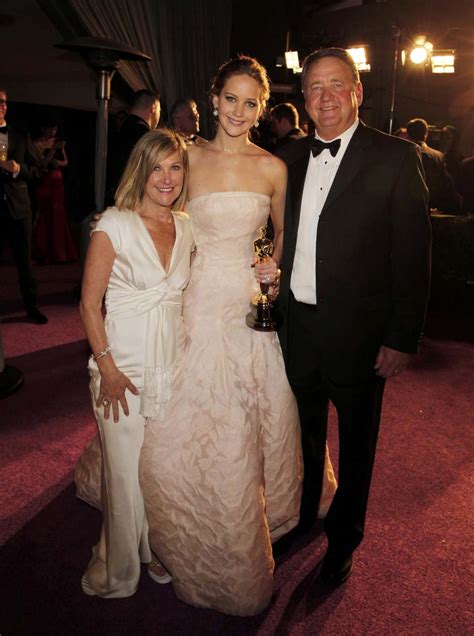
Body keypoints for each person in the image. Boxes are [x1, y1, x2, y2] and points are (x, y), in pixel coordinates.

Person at [139, 55, 336, 616]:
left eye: (252, 102)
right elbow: (160, 219)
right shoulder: (186, 158)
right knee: (182, 416)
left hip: (249, 310)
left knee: (253, 413)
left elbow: (280, 237)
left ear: (262, 107)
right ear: (214, 96)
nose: (239, 111)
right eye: (231, 98)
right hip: (195, 299)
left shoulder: (273, 167)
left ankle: (262, 516)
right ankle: (170, 526)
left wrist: (270, 271)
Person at [278, 48, 431, 586]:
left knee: (358, 443)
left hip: (362, 336)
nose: (324, 97)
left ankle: (344, 539)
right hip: (295, 326)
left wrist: (401, 337)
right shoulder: (288, 157)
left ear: (357, 92)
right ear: (303, 98)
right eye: (314, 87)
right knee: (300, 436)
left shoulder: (394, 156)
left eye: (336, 85)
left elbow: (413, 254)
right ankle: (301, 518)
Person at [77, 129, 195, 598]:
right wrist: (105, 367)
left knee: (161, 470)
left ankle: (153, 548)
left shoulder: (186, 226)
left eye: (176, 167)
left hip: (173, 367)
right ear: (140, 170)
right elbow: (89, 305)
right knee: (124, 475)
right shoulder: (115, 223)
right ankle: (121, 570)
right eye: (157, 167)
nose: (166, 178)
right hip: (120, 368)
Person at [0, 89, 47, 324]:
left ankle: (31, 307)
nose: (1, 106)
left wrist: (18, 170)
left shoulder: (19, 134)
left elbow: (38, 170)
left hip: (19, 209)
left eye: (4, 102)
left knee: (24, 262)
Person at [106, 89, 161, 206]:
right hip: (135, 201)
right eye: (159, 110)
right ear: (153, 108)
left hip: (116, 198)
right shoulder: (146, 137)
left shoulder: (118, 130)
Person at [32, 122, 78, 263]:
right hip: (45, 181)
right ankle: (43, 252)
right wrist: (53, 150)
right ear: (43, 128)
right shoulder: (37, 144)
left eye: (55, 128)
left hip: (57, 181)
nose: (53, 131)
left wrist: (58, 162)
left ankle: (60, 253)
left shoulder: (58, 142)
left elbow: (66, 162)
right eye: (51, 128)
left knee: (58, 215)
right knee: (45, 214)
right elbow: (42, 164)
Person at [406, 118, 461, 213]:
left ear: (408, 134)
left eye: (448, 137)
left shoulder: (401, 153)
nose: (444, 139)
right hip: (431, 207)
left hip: (405, 205)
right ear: (426, 134)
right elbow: (445, 184)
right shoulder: (438, 156)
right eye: (443, 136)